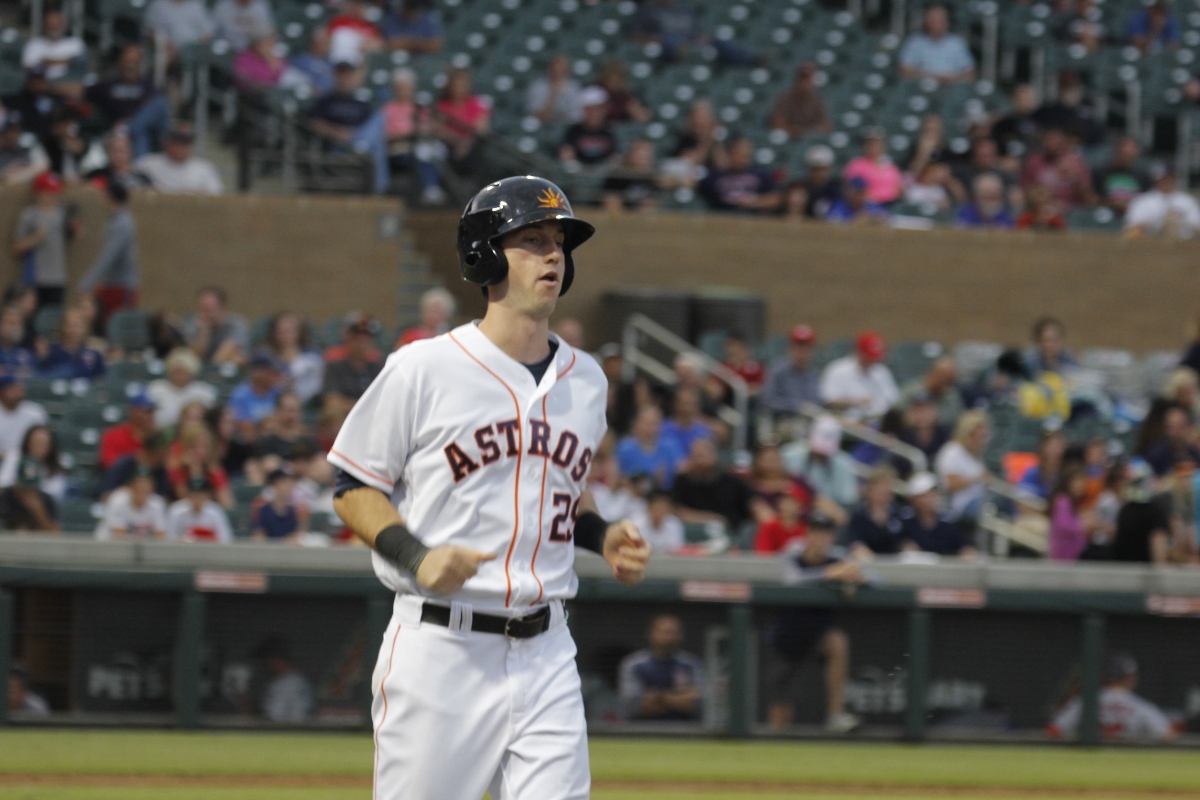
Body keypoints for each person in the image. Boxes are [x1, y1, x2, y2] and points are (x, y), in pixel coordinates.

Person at [329, 176, 648, 798]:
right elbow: (353, 485)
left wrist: (603, 534)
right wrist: (417, 558)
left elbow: (558, 489)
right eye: (532, 240)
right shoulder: (423, 367)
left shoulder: (586, 379)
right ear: (487, 256)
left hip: (548, 646)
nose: (554, 255)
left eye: (559, 243)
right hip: (442, 650)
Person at [765, 512, 863, 733]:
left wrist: (857, 576)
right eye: (816, 532)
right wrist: (830, 574)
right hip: (786, 637)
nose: (820, 538)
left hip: (818, 634)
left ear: (832, 537)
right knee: (780, 714)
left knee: (837, 641)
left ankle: (835, 714)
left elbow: (876, 579)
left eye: (826, 533)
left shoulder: (839, 557)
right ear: (807, 534)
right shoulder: (793, 551)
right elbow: (791, 579)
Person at [1050, 653, 1175, 740]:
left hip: (1089, 763)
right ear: (1131, 678)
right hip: (1129, 766)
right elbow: (1168, 736)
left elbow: (1054, 730)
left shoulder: (1086, 702)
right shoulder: (1140, 706)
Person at [85, 44, 169, 158]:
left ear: (140, 63)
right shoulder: (107, 85)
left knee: (159, 104)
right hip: (115, 132)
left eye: (134, 61)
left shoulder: (147, 86)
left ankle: (130, 128)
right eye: (127, 61)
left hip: (138, 129)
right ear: (120, 62)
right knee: (139, 134)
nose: (130, 65)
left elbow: (155, 113)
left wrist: (129, 123)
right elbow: (84, 93)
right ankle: (140, 168)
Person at [671, 437, 765, 540]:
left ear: (715, 455)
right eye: (698, 455)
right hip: (695, 535)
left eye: (706, 454)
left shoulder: (733, 482)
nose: (702, 460)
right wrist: (711, 519)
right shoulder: (683, 481)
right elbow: (676, 511)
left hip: (733, 535)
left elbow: (756, 505)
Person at [618, 614, 705, 721]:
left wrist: (657, 696)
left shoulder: (691, 664)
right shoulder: (634, 664)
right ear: (652, 634)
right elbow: (634, 705)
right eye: (666, 632)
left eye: (674, 633)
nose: (670, 638)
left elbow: (697, 703)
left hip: (685, 729)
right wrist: (679, 698)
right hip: (640, 730)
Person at [76, 181, 138, 326]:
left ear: (110, 197)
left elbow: (108, 258)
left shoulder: (122, 224)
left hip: (121, 288)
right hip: (112, 285)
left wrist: (85, 285)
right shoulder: (114, 220)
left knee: (116, 329)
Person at [380, 69, 444, 205]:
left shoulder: (418, 107)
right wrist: (408, 132)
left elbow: (429, 126)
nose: (404, 91)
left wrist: (424, 129)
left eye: (407, 87)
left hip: (419, 144)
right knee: (422, 153)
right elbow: (384, 133)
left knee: (436, 151)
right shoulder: (388, 109)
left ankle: (434, 188)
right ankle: (430, 188)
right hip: (397, 149)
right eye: (401, 88)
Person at [12, 171, 75, 308]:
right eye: (48, 192)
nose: (52, 197)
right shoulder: (29, 215)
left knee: (52, 318)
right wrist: (36, 238)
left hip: (57, 278)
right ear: (38, 193)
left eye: (54, 193)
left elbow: (67, 241)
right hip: (35, 278)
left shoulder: (61, 214)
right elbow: (16, 247)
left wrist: (74, 232)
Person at [781, 415, 859, 517]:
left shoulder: (845, 463)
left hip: (830, 516)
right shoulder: (789, 455)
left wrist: (829, 508)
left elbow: (847, 500)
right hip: (795, 511)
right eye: (817, 450)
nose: (821, 454)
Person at [819, 332, 899, 423]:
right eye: (869, 357)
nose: (871, 361)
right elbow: (828, 400)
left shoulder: (881, 371)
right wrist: (856, 403)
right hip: (848, 422)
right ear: (859, 352)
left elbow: (893, 399)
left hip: (879, 421)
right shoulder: (838, 370)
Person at [0, 424, 64, 531]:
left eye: (43, 443)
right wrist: (22, 489)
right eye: (35, 442)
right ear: (27, 442)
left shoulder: (55, 467)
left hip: (41, 513)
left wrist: (35, 504)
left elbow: (53, 498)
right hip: (12, 504)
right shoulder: (15, 457)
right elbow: (4, 485)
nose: (39, 446)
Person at [899, 471, 974, 557]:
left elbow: (964, 547)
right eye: (925, 496)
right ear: (913, 500)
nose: (931, 499)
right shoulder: (905, 523)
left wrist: (967, 553)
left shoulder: (948, 523)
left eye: (933, 494)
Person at [1019, 126, 1095, 211]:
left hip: (1072, 210)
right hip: (1041, 210)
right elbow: (1026, 190)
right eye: (1049, 140)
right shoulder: (1034, 162)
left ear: (1064, 142)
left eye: (1056, 140)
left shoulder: (1076, 162)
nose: (1052, 144)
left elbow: (1088, 198)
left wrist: (1074, 178)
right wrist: (1048, 203)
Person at [934, 410, 990, 525]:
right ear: (968, 433)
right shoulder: (952, 451)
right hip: (958, 505)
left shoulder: (977, 456)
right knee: (985, 509)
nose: (981, 440)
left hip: (978, 500)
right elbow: (951, 484)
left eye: (983, 436)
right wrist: (977, 478)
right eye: (977, 435)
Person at [699, 136, 781, 213]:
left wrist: (754, 201)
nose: (743, 159)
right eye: (739, 154)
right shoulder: (716, 176)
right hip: (724, 218)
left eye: (747, 155)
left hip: (752, 220)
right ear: (730, 154)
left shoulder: (760, 175)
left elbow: (776, 199)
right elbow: (700, 192)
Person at [433, 68, 490, 178]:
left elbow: (481, 128)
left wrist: (466, 143)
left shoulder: (476, 103)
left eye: (462, 84)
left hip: (472, 147)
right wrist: (457, 141)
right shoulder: (442, 105)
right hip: (449, 146)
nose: (458, 88)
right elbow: (437, 128)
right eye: (456, 85)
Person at [134, 126, 224, 195]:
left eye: (184, 144)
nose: (180, 148)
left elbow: (216, 195)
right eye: (177, 144)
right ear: (167, 144)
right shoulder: (148, 164)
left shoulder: (204, 168)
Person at [1112, 462, 1170, 563]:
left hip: (1124, 569)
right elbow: (1158, 542)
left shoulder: (1124, 510)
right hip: (1145, 572)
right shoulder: (1156, 512)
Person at [899, 5, 975, 84]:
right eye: (933, 21)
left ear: (947, 22)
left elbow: (969, 72)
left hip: (951, 88)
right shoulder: (915, 42)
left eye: (940, 21)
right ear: (926, 22)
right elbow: (905, 69)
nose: (937, 24)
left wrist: (955, 79)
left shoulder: (957, 43)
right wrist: (932, 77)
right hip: (921, 87)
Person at [1125, 162, 1200, 240]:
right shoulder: (1142, 201)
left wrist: (1179, 221)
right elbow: (1131, 230)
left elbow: (1197, 227)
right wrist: (1158, 221)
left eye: (1171, 177)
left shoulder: (1187, 201)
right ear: (1156, 179)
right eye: (1164, 178)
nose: (1167, 181)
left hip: (1184, 245)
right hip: (1150, 245)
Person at [617, 405, 685, 489]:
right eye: (647, 423)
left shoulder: (670, 446)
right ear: (636, 423)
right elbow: (618, 477)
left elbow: (682, 469)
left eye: (655, 423)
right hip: (633, 496)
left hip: (666, 495)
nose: (652, 428)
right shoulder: (625, 448)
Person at [147, 347, 218, 428]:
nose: (180, 376)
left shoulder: (204, 391)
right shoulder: (156, 389)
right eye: (176, 371)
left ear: (191, 373)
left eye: (184, 372)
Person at [323, 316, 383, 410]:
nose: (362, 343)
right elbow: (332, 401)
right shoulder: (335, 367)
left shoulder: (378, 368)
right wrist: (364, 408)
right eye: (357, 338)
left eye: (366, 339)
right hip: (344, 418)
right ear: (347, 339)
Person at [847, 465, 906, 558]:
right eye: (880, 489)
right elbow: (856, 543)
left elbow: (906, 541)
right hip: (870, 563)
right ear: (870, 490)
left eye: (887, 488)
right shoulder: (859, 515)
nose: (885, 492)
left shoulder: (899, 513)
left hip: (897, 562)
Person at [264, 312, 323, 404]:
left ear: (299, 333)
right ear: (274, 333)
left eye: (290, 331)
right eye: (281, 332)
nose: (286, 336)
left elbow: (318, 383)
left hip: (309, 402)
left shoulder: (312, 356)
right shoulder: (266, 357)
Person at [762, 325, 820, 417]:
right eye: (799, 348)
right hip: (783, 420)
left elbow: (816, 400)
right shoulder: (778, 371)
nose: (802, 354)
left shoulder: (812, 373)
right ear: (790, 348)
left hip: (809, 420)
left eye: (806, 349)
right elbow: (768, 401)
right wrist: (797, 406)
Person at [95, 467, 168, 540]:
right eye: (139, 484)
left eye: (146, 486)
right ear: (130, 486)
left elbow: (160, 535)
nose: (143, 487)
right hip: (109, 544)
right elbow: (118, 534)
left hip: (141, 547)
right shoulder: (118, 500)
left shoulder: (157, 503)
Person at [183, 287, 250, 366]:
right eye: (201, 310)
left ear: (222, 309)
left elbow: (219, 359)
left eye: (208, 310)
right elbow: (192, 359)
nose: (203, 315)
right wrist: (204, 332)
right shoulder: (193, 323)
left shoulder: (236, 324)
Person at [21, 8, 86, 87]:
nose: (53, 27)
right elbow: (27, 67)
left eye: (57, 24)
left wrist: (46, 61)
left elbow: (81, 63)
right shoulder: (34, 44)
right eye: (50, 24)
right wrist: (66, 60)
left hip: (72, 81)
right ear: (44, 25)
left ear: (63, 25)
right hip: (44, 84)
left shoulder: (75, 43)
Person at [37, 307, 106, 380]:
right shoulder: (51, 352)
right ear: (63, 327)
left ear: (86, 328)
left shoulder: (94, 356)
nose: (75, 330)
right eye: (72, 325)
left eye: (79, 326)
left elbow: (102, 380)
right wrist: (42, 357)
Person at [256, 638, 314, 722]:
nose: (264, 664)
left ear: (277, 659)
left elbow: (275, 716)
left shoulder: (292, 683)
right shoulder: (291, 680)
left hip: (288, 732)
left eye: (267, 658)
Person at [1048, 464, 1098, 561]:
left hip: (1078, 553)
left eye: (1082, 481)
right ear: (1067, 483)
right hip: (1066, 556)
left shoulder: (1077, 504)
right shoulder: (1062, 501)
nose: (1080, 485)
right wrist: (1087, 526)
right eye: (1076, 481)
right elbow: (1065, 525)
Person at [769, 62, 831, 138]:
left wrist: (806, 131)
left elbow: (825, 127)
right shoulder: (784, 99)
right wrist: (795, 130)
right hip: (788, 139)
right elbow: (778, 124)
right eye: (802, 79)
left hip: (808, 140)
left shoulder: (817, 102)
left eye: (808, 79)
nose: (804, 83)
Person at [843, 129, 903, 206]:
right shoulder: (856, 164)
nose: (874, 146)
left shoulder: (891, 166)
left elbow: (900, 188)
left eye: (877, 144)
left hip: (892, 204)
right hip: (867, 205)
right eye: (871, 144)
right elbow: (850, 189)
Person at [559, 87, 617, 167]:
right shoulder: (574, 130)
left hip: (604, 173)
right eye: (590, 110)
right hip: (579, 172)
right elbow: (566, 153)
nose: (594, 113)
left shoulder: (610, 130)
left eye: (598, 110)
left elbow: (615, 156)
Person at [99, 392, 158, 471]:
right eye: (147, 411)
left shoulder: (159, 436)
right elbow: (110, 464)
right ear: (133, 411)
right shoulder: (113, 435)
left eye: (152, 411)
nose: (151, 415)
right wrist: (135, 460)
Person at [166, 475, 233, 542]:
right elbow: (170, 537)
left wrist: (207, 539)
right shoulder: (176, 510)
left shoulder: (215, 510)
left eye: (201, 494)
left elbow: (226, 538)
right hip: (182, 549)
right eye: (194, 494)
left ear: (208, 495)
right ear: (187, 495)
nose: (198, 498)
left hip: (210, 549)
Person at [1094, 137, 1149, 215]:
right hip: (1104, 215)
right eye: (1124, 154)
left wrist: (1129, 205)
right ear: (1117, 152)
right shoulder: (1100, 173)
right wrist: (1112, 203)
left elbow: (1148, 201)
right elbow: (1092, 198)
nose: (1127, 158)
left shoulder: (1143, 177)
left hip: (1133, 216)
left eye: (1130, 155)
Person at [229, 352, 284, 429]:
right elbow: (240, 424)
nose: (275, 377)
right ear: (258, 372)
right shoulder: (240, 395)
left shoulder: (278, 393)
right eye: (271, 372)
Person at [1144, 404, 1200, 477]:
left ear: (1188, 427)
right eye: (1171, 427)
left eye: (1180, 427)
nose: (1176, 432)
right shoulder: (1156, 455)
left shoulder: (1195, 453)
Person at [252, 467, 306, 541]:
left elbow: (299, 535)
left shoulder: (293, 511)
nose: (288, 486)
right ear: (274, 484)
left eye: (291, 483)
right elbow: (258, 537)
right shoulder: (264, 510)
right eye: (284, 482)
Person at [526, 54, 583, 125]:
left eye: (562, 68)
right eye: (555, 68)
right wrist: (554, 94)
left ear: (568, 70)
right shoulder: (538, 87)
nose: (558, 71)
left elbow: (577, 114)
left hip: (569, 127)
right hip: (543, 126)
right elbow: (539, 117)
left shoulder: (574, 87)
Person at [0, 375, 48, 458]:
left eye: (19, 389)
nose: (17, 393)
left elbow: (44, 441)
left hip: (29, 459)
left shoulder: (35, 412)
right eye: (12, 390)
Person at [144, 0, 215, 54]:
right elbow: (151, 32)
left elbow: (208, 33)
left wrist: (197, 47)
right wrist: (169, 47)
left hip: (194, 50)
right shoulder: (158, 5)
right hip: (167, 49)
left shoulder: (197, 5)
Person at [324, 0, 382, 65]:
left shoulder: (370, 26)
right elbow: (326, 39)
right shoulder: (338, 21)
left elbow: (378, 46)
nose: (356, 8)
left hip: (359, 60)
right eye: (354, 5)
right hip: (337, 56)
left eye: (359, 5)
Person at [1016, 429, 1068, 501]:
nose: (1056, 449)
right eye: (1051, 445)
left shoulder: (1067, 475)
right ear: (1042, 447)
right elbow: (1022, 501)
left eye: (1058, 445)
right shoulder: (1032, 473)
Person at [593, 60, 650, 125]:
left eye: (617, 79)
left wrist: (634, 110)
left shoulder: (626, 97)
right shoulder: (593, 93)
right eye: (611, 78)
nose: (614, 82)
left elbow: (643, 118)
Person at [630, 489, 685, 554]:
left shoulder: (674, 524)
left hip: (666, 561)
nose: (660, 511)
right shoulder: (636, 523)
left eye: (663, 507)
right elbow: (633, 548)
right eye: (657, 507)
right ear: (649, 507)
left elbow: (677, 550)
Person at [288, 28, 335, 96]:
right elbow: (294, 81)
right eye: (326, 43)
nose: (329, 46)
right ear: (315, 43)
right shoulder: (300, 61)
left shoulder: (329, 63)